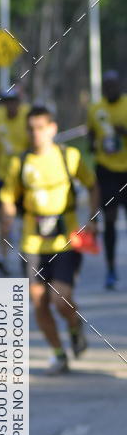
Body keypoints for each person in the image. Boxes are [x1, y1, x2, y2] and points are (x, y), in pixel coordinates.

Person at [0, 105, 99, 376]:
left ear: (53, 129)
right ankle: (58, 353)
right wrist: (7, 218)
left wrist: (93, 219)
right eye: (31, 129)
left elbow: (92, 185)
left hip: (65, 241)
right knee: (38, 301)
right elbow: (8, 196)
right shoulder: (20, 162)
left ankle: (75, 325)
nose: (36, 134)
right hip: (32, 243)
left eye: (41, 128)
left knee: (60, 299)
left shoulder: (69, 157)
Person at [87, 70, 127, 289]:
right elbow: (91, 134)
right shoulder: (95, 109)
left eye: (113, 85)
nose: (110, 89)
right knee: (110, 219)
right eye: (107, 86)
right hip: (106, 171)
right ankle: (111, 269)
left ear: (120, 86)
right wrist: (94, 145)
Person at [0, 88, 30, 275]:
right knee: (4, 219)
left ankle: (28, 254)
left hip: (25, 176)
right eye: (6, 102)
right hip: (3, 176)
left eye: (13, 101)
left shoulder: (27, 115)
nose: (10, 105)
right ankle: (4, 257)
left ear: (19, 102)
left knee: (27, 218)